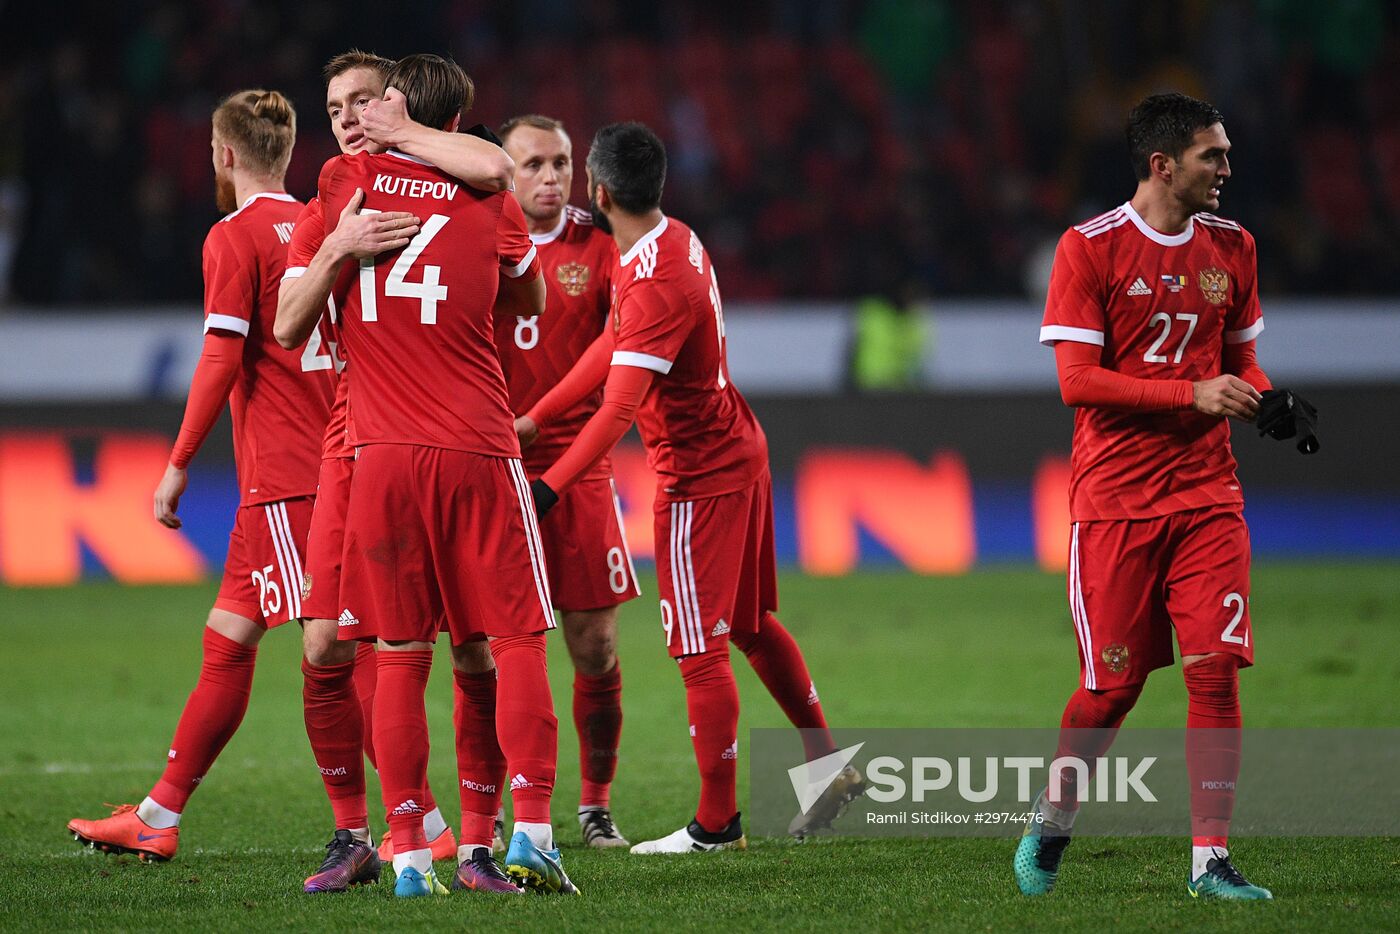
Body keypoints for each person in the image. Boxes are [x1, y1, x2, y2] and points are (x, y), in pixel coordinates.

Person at [515, 122, 862, 854]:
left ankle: (716, 824)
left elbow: (618, 408)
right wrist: (540, 418)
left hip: (700, 477)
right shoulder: (669, 242)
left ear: (597, 191)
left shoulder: (651, 280)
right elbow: (610, 343)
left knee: (699, 648)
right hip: (739, 449)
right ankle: (827, 765)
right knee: (750, 626)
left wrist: (547, 488)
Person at [296, 53, 574, 897]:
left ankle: (413, 855)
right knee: (512, 639)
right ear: (460, 119)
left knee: (399, 653)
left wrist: (348, 237)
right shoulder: (489, 195)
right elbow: (529, 301)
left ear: (394, 108)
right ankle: (529, 832)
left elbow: (283, 323)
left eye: (366, 103)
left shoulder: (346, 183)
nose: (352, 118)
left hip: (377, 454)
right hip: (478, 445)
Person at [1016, 92, 1274, 901]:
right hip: (1116, 503)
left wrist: (1265, 398)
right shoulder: (1088, 249)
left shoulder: (1234, 246)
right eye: (1213, 156)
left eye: (1226, 153)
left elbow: (1241, 361)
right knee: (1111, 690)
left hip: (1207, 496)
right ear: (1163, 165)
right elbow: (1076, 383)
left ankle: (1210, 862)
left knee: (1215, 673)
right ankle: (1053, 818)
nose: (1227, 169)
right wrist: (1192, 396)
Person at [67, 90, 335, 862]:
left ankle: (419, 824)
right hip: (314, 467)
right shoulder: (321, 225)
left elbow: (221, 359)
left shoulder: (235, 236)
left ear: (223, 155)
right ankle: (159, 813)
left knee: (331, 649)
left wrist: (177, 464)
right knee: (229, 640)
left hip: (291, 474)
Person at [492, 114, 639, 849]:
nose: (550, 178)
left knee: (596, 647)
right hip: (493, 468)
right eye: (533, 165)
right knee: (488, 652)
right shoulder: (478, 235)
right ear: (504, 172)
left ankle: (595, 804)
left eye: (560, 163)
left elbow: (628, 342)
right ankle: (492, 807)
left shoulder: (601, 243)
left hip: (579, 471)